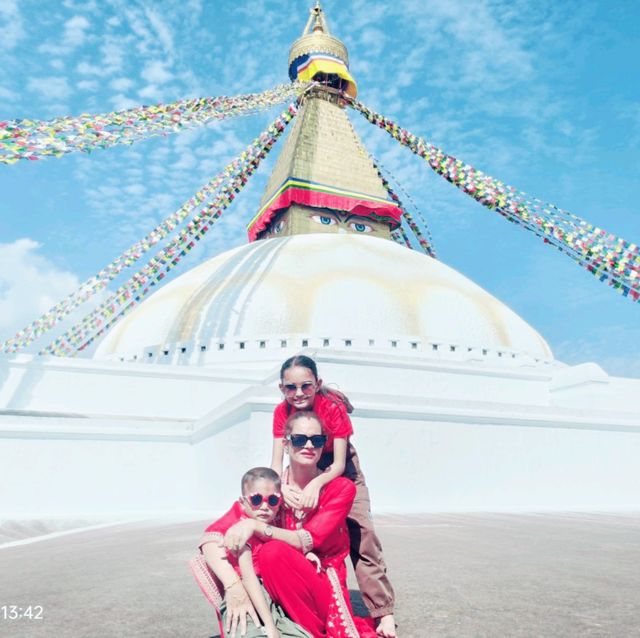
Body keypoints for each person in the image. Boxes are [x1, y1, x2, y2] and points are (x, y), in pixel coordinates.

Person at [270, 356, 397, 638]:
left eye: (306, 385)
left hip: (340, 468)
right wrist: (280, 486)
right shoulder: (281, 412)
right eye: (291, 387)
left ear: (318, 384)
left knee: (361, 531)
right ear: (282, 388)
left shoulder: (332, 407)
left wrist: (317, 483)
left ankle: (383, 610)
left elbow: (338, 465)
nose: (299, 393)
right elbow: (275, 462)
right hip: (302, 462)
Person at [224, 411, 376, 638]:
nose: (308, 445)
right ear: (285, 444)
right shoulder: (270, 489)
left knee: (272, 551)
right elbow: (215, 533)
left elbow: (308, 539)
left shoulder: (340, 489)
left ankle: (309, 632)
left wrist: (256, 526)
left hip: (322, 581)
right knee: (238, 551)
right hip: (277, 585)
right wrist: (232, 586)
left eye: (316, 440)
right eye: (299, 439)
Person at [198, 467, 311, 638]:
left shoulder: (266, 526)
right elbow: (250, 579)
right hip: (246, 597)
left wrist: (307, 556)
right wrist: (271, 626)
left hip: (269, 600)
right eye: (256, 499)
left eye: (272, 500)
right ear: (243, 502)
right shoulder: (241, 531)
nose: (265, 506)